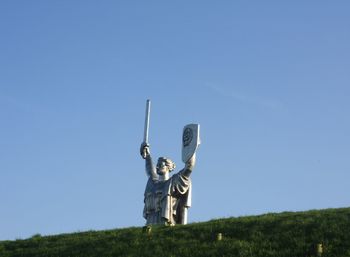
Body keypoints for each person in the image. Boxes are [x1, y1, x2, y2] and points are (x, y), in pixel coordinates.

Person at [140, 142, 196, 225]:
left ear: (168, 167)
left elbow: (189, 167)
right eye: (157, 165)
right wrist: (147, 156)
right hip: (150, 220)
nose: (157, 167)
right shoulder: (153, 182)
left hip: (165, 220)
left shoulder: (173, 182)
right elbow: (150, 170)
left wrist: (192, 148)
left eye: (160, 165)